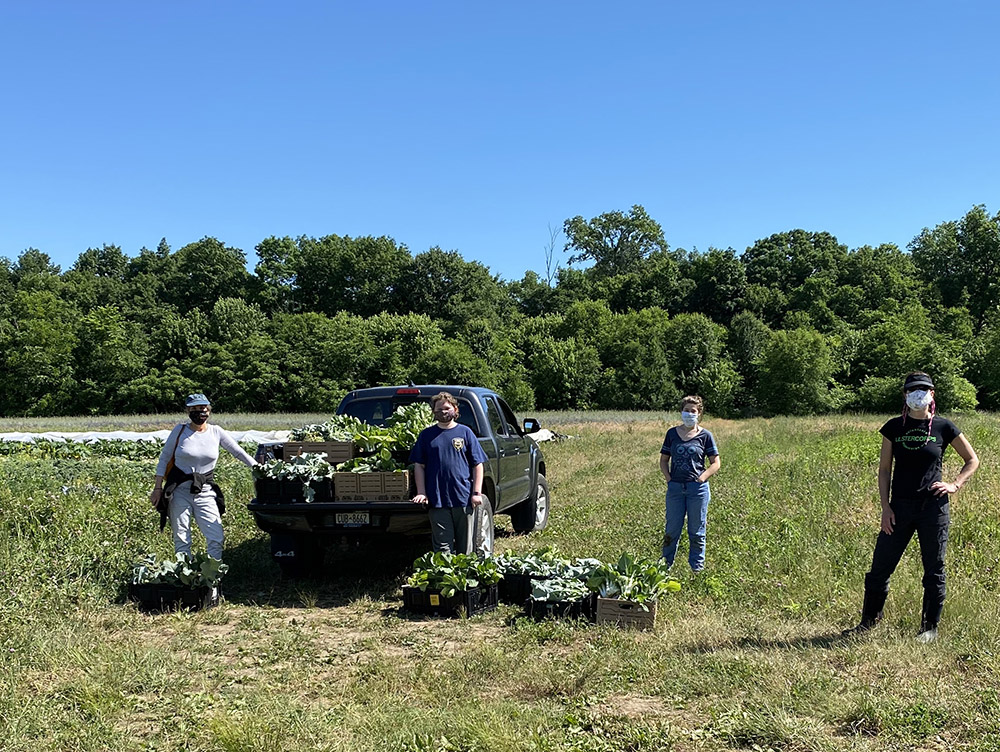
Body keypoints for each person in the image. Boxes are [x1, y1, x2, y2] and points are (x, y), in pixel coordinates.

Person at [846, 371, 979, 642]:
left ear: (932, 394)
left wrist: (955, 485)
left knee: (934, 568)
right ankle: (868, 622)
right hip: (899, 508)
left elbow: (972, 460)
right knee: (880, 566)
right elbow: (884, 470)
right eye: (912, 390)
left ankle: (929, 627)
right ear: (905, 395)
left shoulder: (944, 427)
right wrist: (885, 507)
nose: (918, 393)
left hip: (934, 509)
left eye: (924, 389)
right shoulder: (894, 427)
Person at [149, 393, 257, 561]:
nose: (200, 412)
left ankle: (212, 577)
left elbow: (238, 452)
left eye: (203, 408)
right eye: (195, 409)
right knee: (182, 538)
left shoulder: (216, 432)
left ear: (209, 410)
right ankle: (185, 577)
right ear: (188, 411)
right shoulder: (180, 431)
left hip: (205, 491)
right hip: (180, 491)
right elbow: (164, 458)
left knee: (216, 537)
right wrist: (157, 489)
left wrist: (259, 468)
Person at [410, 392, 488, 554]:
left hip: (463, 498)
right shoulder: (426, 435)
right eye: (439, 409)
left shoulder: (465, 432)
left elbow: (478, 465)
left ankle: (464, 577)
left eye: (447, 408)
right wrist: (422, 492)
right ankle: (445, 577)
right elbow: (419, 465)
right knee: (442, 547)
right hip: (437, 500)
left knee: (465, 546)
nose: (443, 412)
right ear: (433, 412)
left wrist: (476, 493)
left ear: (455, 409)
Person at [659, 395, 721, 571]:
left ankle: (696, 569)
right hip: (675, 489)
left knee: (696, 532)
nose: (689, 414)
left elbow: (715, 462)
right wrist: (669, 479)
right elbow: (664, 460)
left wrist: (703, 477)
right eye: (686, 410)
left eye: (692, 411)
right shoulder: (672, 434)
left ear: (699, 413)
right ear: (681, 411)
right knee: (671, 530)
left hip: (697, 490)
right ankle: (664, 567)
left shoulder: (705, 436)